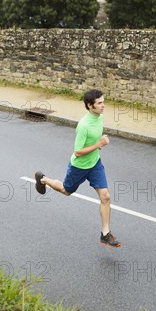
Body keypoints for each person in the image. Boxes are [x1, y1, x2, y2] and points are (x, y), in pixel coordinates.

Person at [34, 89, 121, 248]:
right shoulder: (83, 125)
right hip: (79, 167)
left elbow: (92, 142)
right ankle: (43, 179)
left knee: (106, 196)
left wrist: (96, 148)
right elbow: (78, 152)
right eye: (99, 103)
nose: (103, 105)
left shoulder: (99, 117)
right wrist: (99, 144)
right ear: (90, 106)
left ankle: (105, 234)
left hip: (94, 164)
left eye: (103, 101)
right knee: (66, 191)